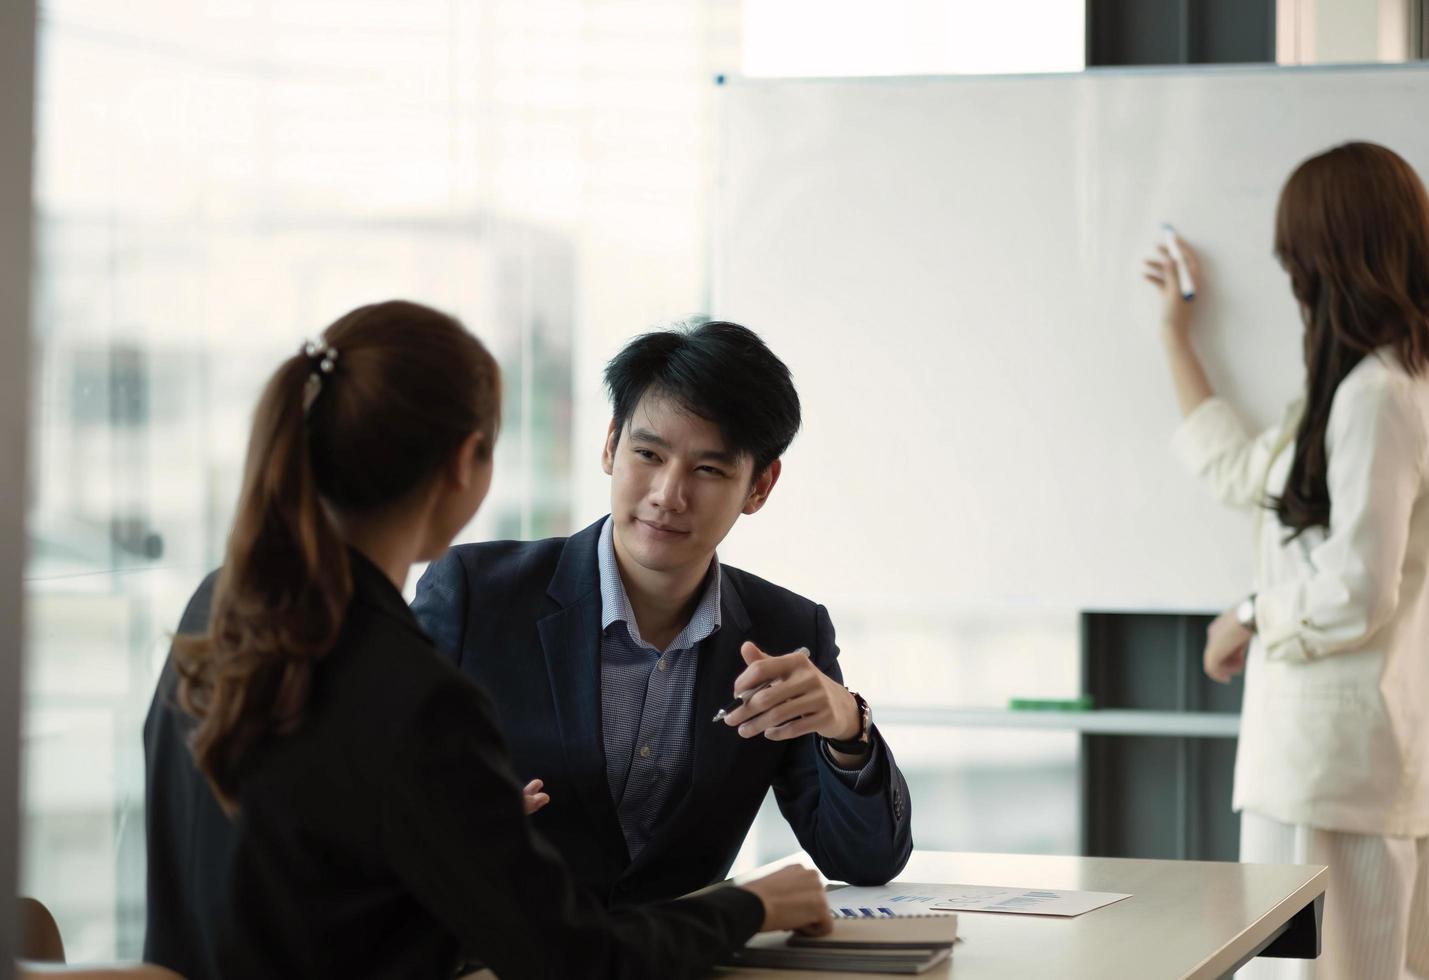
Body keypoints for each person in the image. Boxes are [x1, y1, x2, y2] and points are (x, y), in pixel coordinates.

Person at [142, 301, 830, 980]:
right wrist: (748, 906)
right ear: (466, 462)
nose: (669, 493)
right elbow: (577, 962)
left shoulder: (219, 603)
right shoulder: (413, 692)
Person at [1144, 143, 1429, 980]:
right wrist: (1174, 335)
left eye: (1297, 257)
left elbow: (1355, 590)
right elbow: (1244, 473)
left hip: (1333, 767)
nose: (1292, 277)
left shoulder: (1378, 395)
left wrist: (1251, 614)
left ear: (1334, 256)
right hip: (1330, 761)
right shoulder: (1370, 386)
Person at [411, 319, 912, 907]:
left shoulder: (788, 632)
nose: (667, 494)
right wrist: (440, 821)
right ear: (609, 445)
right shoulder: (476, 594)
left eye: (708, 469)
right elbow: (363, 789)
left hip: (688, 960)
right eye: (648, 454)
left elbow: (867, 861)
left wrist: (847, 725)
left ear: (760, 487)